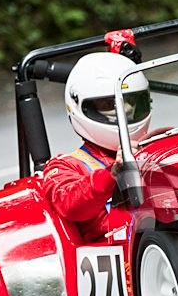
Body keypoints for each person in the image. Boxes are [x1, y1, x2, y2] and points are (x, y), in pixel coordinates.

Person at [42, 52, 151, 241]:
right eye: (109, 104)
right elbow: (70, 205)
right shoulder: (65, 165)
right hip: (116, 248)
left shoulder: (153, 146)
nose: (124, 110)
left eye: (130, 101)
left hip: (163, 232)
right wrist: (114, 173)